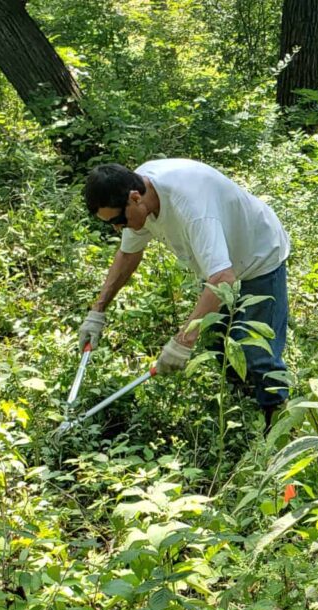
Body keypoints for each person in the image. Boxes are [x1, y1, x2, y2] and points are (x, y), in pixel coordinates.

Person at [79, 160, 292, 427]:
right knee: (218, 343)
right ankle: (246, 405)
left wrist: (183, 341)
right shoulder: (139, 194)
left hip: (258, 257)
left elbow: (222, 278)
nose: (117, 228)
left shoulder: (192, 208)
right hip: (220, 265)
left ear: (134, 198)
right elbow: (128, 253)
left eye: (119, 221)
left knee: (255, 351)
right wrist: (97, 311)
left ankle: (279, 424)